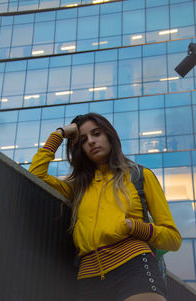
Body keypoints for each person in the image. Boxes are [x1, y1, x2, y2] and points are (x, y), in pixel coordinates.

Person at [29, 113, 182, 301]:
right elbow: (36, 175)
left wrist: (134, 227)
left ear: (110, 136)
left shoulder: (139, 175)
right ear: (80, 149)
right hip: (88, 277)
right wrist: (59, 134)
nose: (91, 142)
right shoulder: (78, 187)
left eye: (96, 133)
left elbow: (173, 239)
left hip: (134, 267)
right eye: (84, 140)